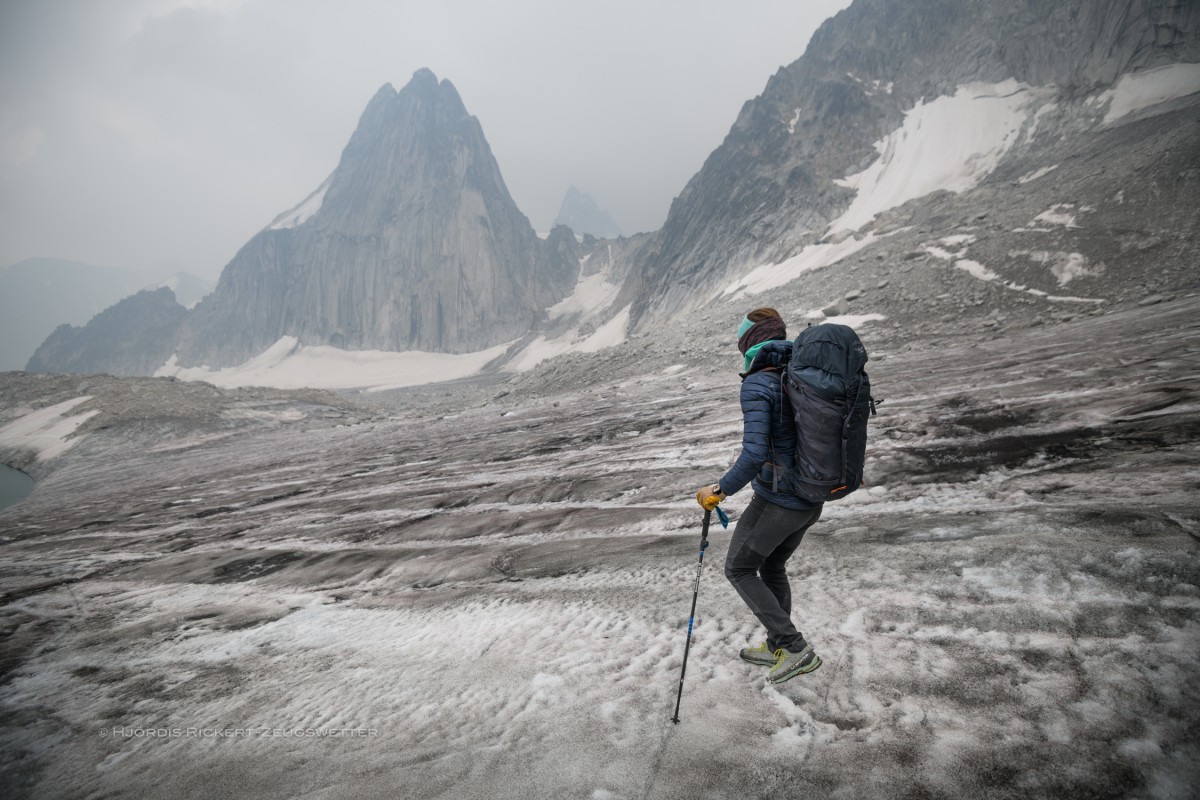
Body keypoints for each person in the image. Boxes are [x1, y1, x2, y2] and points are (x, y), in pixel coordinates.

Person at [694, 307, 823, 685]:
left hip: (779, 498)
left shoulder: (758, 382)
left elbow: (753, 454)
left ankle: (794, 647)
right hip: (810, 497)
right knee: (772, 567)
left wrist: (717, 491)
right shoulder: (800, 373)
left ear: (750, 343)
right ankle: (776, 645)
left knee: (738, 568)